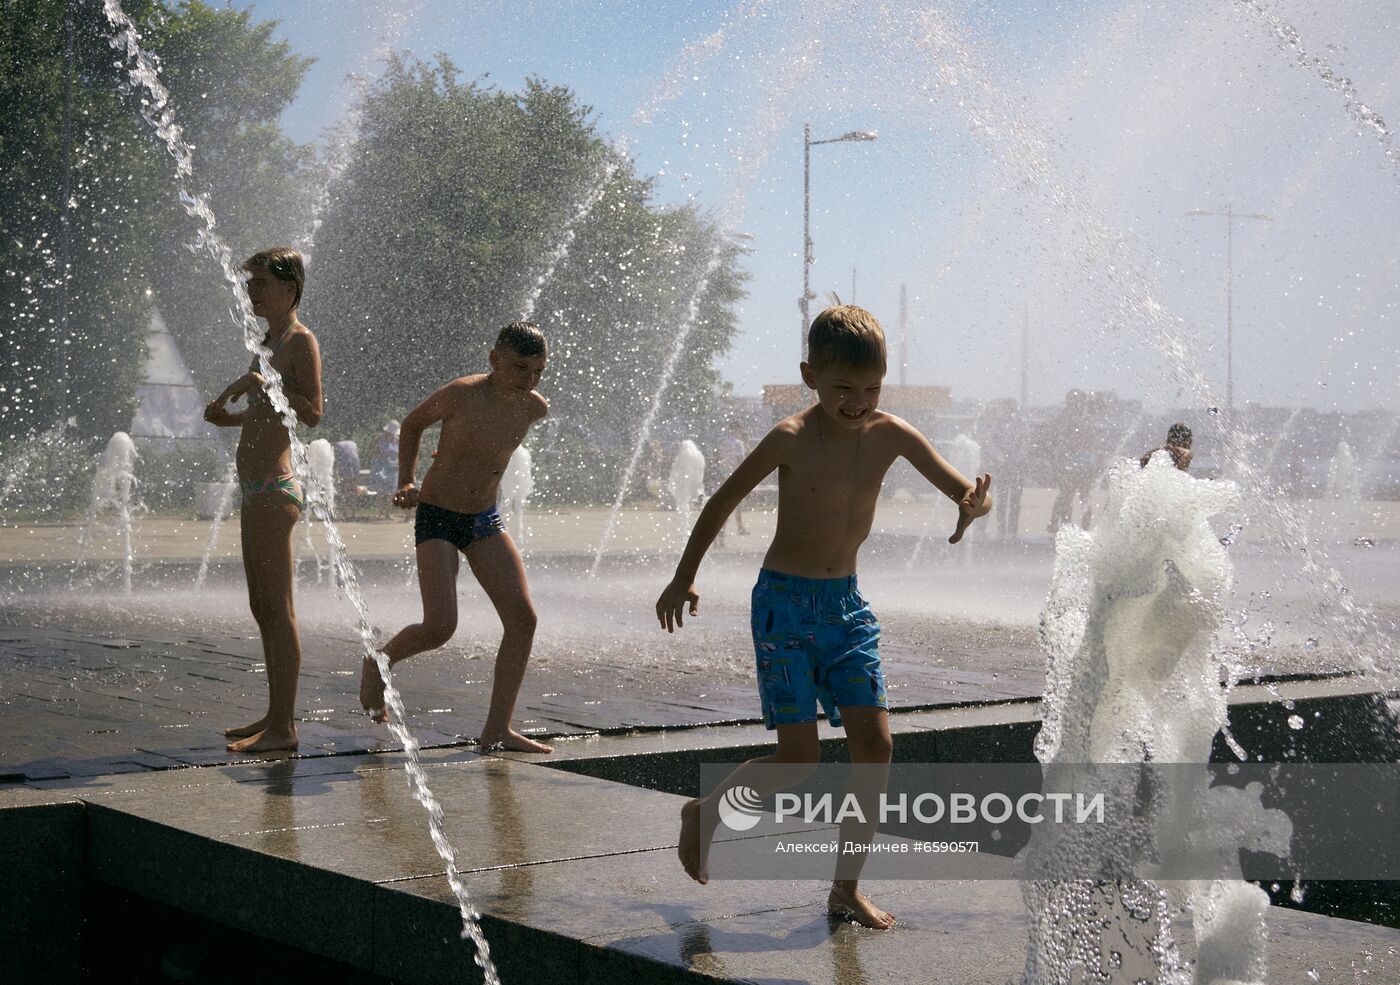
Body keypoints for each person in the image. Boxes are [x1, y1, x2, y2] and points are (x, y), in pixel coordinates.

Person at [655, 305, 992, 929]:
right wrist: (684, 575)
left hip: (847, 607)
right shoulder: (789, 437)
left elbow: (964, 488)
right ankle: (703, 815)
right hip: (783, 605)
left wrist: (975, 504)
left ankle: (845, 888)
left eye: (871, 388)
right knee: (800, 759)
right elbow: (721, 501)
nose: (858, 402)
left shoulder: (893, 434)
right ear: (812, 376)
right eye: (843, 389)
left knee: (877, 746)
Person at [360, 321, 553, 754]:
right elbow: (412, 425)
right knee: (440, 625)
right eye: (521, 368)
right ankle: (378, 662)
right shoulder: (462, 393)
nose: (531, 380)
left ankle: (497, 729)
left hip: (484, 519)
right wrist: (407, 480)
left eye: (539, 370)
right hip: (438, 516)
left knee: (523, 620)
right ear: (494, 360)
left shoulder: (533, 408)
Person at [203, 247, 323, 754]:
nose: (252, 293)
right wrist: (224, 416)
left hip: (276, 491)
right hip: (255, 493)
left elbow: (312, 412)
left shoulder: (300, 341)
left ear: (289, 289)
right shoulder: (267, 341)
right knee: (262, 606)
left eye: (261, 285)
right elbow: (266, 416)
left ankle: (284, 728)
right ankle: (275, 714)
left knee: (279, 608)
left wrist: (260, 381)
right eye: (250, 285)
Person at [370, 421, 401, 518]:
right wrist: (382, 457)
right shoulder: (379, 439)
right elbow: (373, 453)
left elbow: (400, 454)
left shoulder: (397, 440)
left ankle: (388, 513)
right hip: (380, 468)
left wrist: (399, 463)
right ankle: (380, 513)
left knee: (391, 493)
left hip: (393, 468)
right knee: (381, 492)